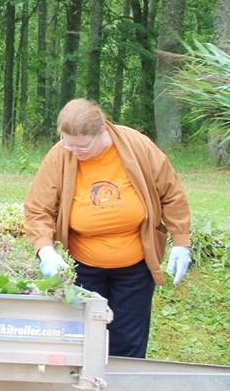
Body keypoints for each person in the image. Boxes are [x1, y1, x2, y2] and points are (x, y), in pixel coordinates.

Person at [23, 98, 192, 358]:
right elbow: (38, 209)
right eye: (66, 142)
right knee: (82, 341)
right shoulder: (61, 154)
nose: (72, 150)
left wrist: (181, 241)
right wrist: (45, 250)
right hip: (83, 267)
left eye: (81, 145)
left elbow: (172, 193)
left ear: (101, 131)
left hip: (135, 268)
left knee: (127, 344)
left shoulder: (137, 146)